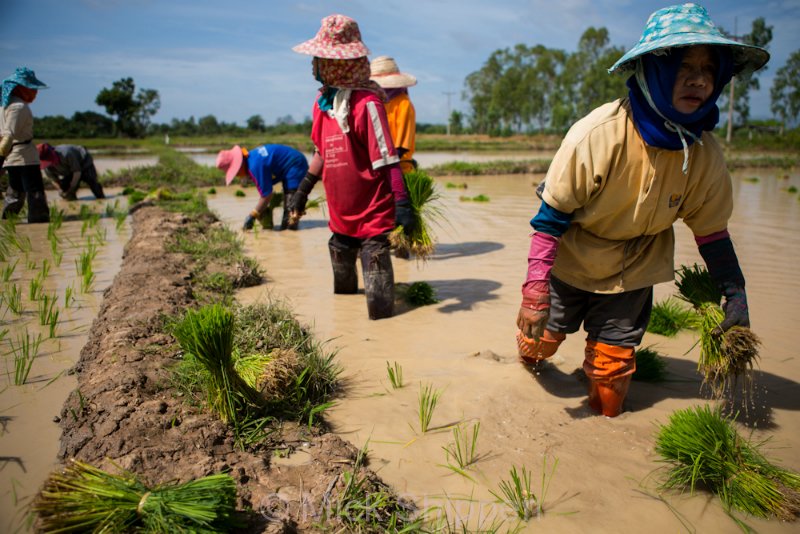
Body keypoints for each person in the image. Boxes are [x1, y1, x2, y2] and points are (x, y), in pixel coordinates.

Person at [515, 3, 769, 417]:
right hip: (573, 260)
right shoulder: (598, 135)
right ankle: (526, 364)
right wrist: (535, 290)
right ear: (653, 70)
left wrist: (734, 292)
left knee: (611, 387)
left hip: (635, 268)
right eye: (685, 67)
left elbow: (712, 234)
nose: (698, 80)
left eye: (709, 70)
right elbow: (549, 220)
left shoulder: (704, 154)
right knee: (537, 346)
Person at [289, 13, 414, 320]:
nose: (313, 65)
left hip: (372, 217)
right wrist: (302, 191)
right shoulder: (324, 104)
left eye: (319, 59)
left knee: (380, 311)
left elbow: (387, 159)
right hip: (340, 217)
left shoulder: (367, 104)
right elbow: (321, 152)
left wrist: (402, 201)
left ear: (336, 63)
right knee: (342, 304)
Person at [216, 143, 309, 231]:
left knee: (290, 213)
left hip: (295, 164)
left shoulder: (255, 167)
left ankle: (291, 235)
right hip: (289, 162)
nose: (237, 176)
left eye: (236, 173)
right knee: (288, 212)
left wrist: (252, 216)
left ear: (239, 166)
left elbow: (267, 195)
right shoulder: (251, 159)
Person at [1, 67, 49, 223]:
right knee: (34, 192)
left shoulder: (4, 106)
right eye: (32, 88)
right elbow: (8, 137)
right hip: (24, 157)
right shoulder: (18, 107)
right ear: (21, 88)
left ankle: (8, 223)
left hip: (11, 157)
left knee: (14, 191)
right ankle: (39, 223)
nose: (35, 92)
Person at [370, 56, 418, 174]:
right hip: (376, 167)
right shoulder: (374, 103)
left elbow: (401, 148)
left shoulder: (404, 104)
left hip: (398, 169)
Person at [37, 143, 105, 200]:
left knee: (93, 183)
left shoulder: (66, 153)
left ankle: (101, 197)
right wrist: (60, 190)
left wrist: (72, 187)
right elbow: (53, 180)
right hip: (69, 170)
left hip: (84, 162)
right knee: (65, 190)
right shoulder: (47, 167)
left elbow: (77, 172)